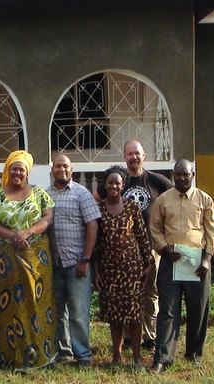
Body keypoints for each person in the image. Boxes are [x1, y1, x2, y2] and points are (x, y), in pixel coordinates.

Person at [0, 150, 55, 371]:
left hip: (35, 258)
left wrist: (27, 233)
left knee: (34, 303)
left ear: (27, 172)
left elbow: (48, 218)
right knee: (5, 305)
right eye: (14, 168)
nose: (17, 172)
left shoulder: (40, 193)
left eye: (21, 169)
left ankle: (38, 355)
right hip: (5, 260)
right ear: (8, 170)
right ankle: (4, 355)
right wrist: (12, 236)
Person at [148, 159, 214, 373]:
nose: (181, 178)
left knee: (198, 309)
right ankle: (162, 358)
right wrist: (164, 248)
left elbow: (212, 232)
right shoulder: (162, 200)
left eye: (185, 174)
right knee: (168, 311)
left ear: (192, 175)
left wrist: (207, 259)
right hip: (171, 262)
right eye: (177, 174)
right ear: (173, 175)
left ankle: (193, 354)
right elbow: (155, 228)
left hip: (198, 263)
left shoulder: (204, 199)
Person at [93, 166, 153, 367]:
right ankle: (116, 356)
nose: (113, 186)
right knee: (115, 315)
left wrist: (149, 263)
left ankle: (137, 356)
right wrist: (97, 271)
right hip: (110, 269)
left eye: (117, 183)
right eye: (110, 182)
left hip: (132, 268)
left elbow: (143, 237)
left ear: (123, 185)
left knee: (135, 314)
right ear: (105, 185)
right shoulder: (99, 210)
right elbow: (96, 243)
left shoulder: (132, 207)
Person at [46, 155, 100, 366]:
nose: (62, 169)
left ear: (72, 169)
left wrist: (85, 259)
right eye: (58, 166)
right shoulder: (45, 194)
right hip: (55, 263)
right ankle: (63, 351)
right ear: (52, 169)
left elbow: (93, 226)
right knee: (58, 310)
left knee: (78, 311)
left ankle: (83, 355)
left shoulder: (81, 193)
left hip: (77, 263)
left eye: (65, 166)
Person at [121, 139, 173, 349]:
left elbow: (176, 199)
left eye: (137, 153)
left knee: (150, 291)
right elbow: (98, 198)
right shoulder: (119, 180)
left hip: (152, 248)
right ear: (125, 157)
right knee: (126, 291)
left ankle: (149, 336)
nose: (134, 157)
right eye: (130, 153)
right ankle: (126, 336)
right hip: (125, 249)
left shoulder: (156, 181)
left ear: (144, 156)